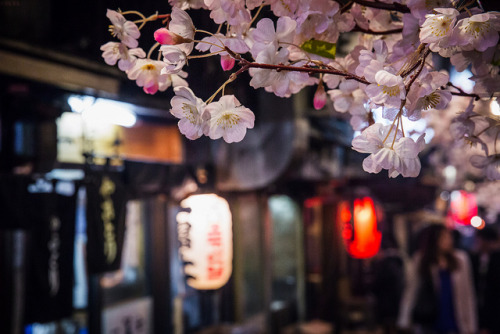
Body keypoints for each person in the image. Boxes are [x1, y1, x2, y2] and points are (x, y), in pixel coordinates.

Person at [397, 224, 477, 334]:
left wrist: (471, 325)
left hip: (455, 316)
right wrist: (404, 319)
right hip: (430, 317)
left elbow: (467, 294)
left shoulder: (460, 259)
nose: (448, 240)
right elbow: (411, 290)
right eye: (443, 237)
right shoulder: (421, 259)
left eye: (448, 236)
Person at [470, 226, 500, 334]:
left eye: (478, 240)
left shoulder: (496, 260)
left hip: (494, 316)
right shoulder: (473, 259)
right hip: (476, 312)